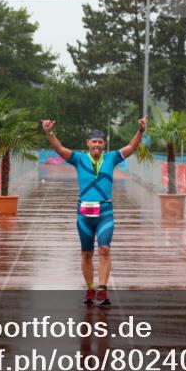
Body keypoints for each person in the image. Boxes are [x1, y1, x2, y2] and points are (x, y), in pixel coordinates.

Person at [41, 118, 146, 306]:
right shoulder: (79, 159)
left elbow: (131, 147)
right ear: (87, 144)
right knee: (86, 253)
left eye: (99, 142)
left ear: (104, 144)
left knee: (104, 249)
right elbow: (59, 149)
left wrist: (140, 130)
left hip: (105, 211)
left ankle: (103, 290)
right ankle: (90, 288)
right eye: (93, 141)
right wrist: (49, 132)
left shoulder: (112, 157)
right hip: (84, 214)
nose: (96, 145)